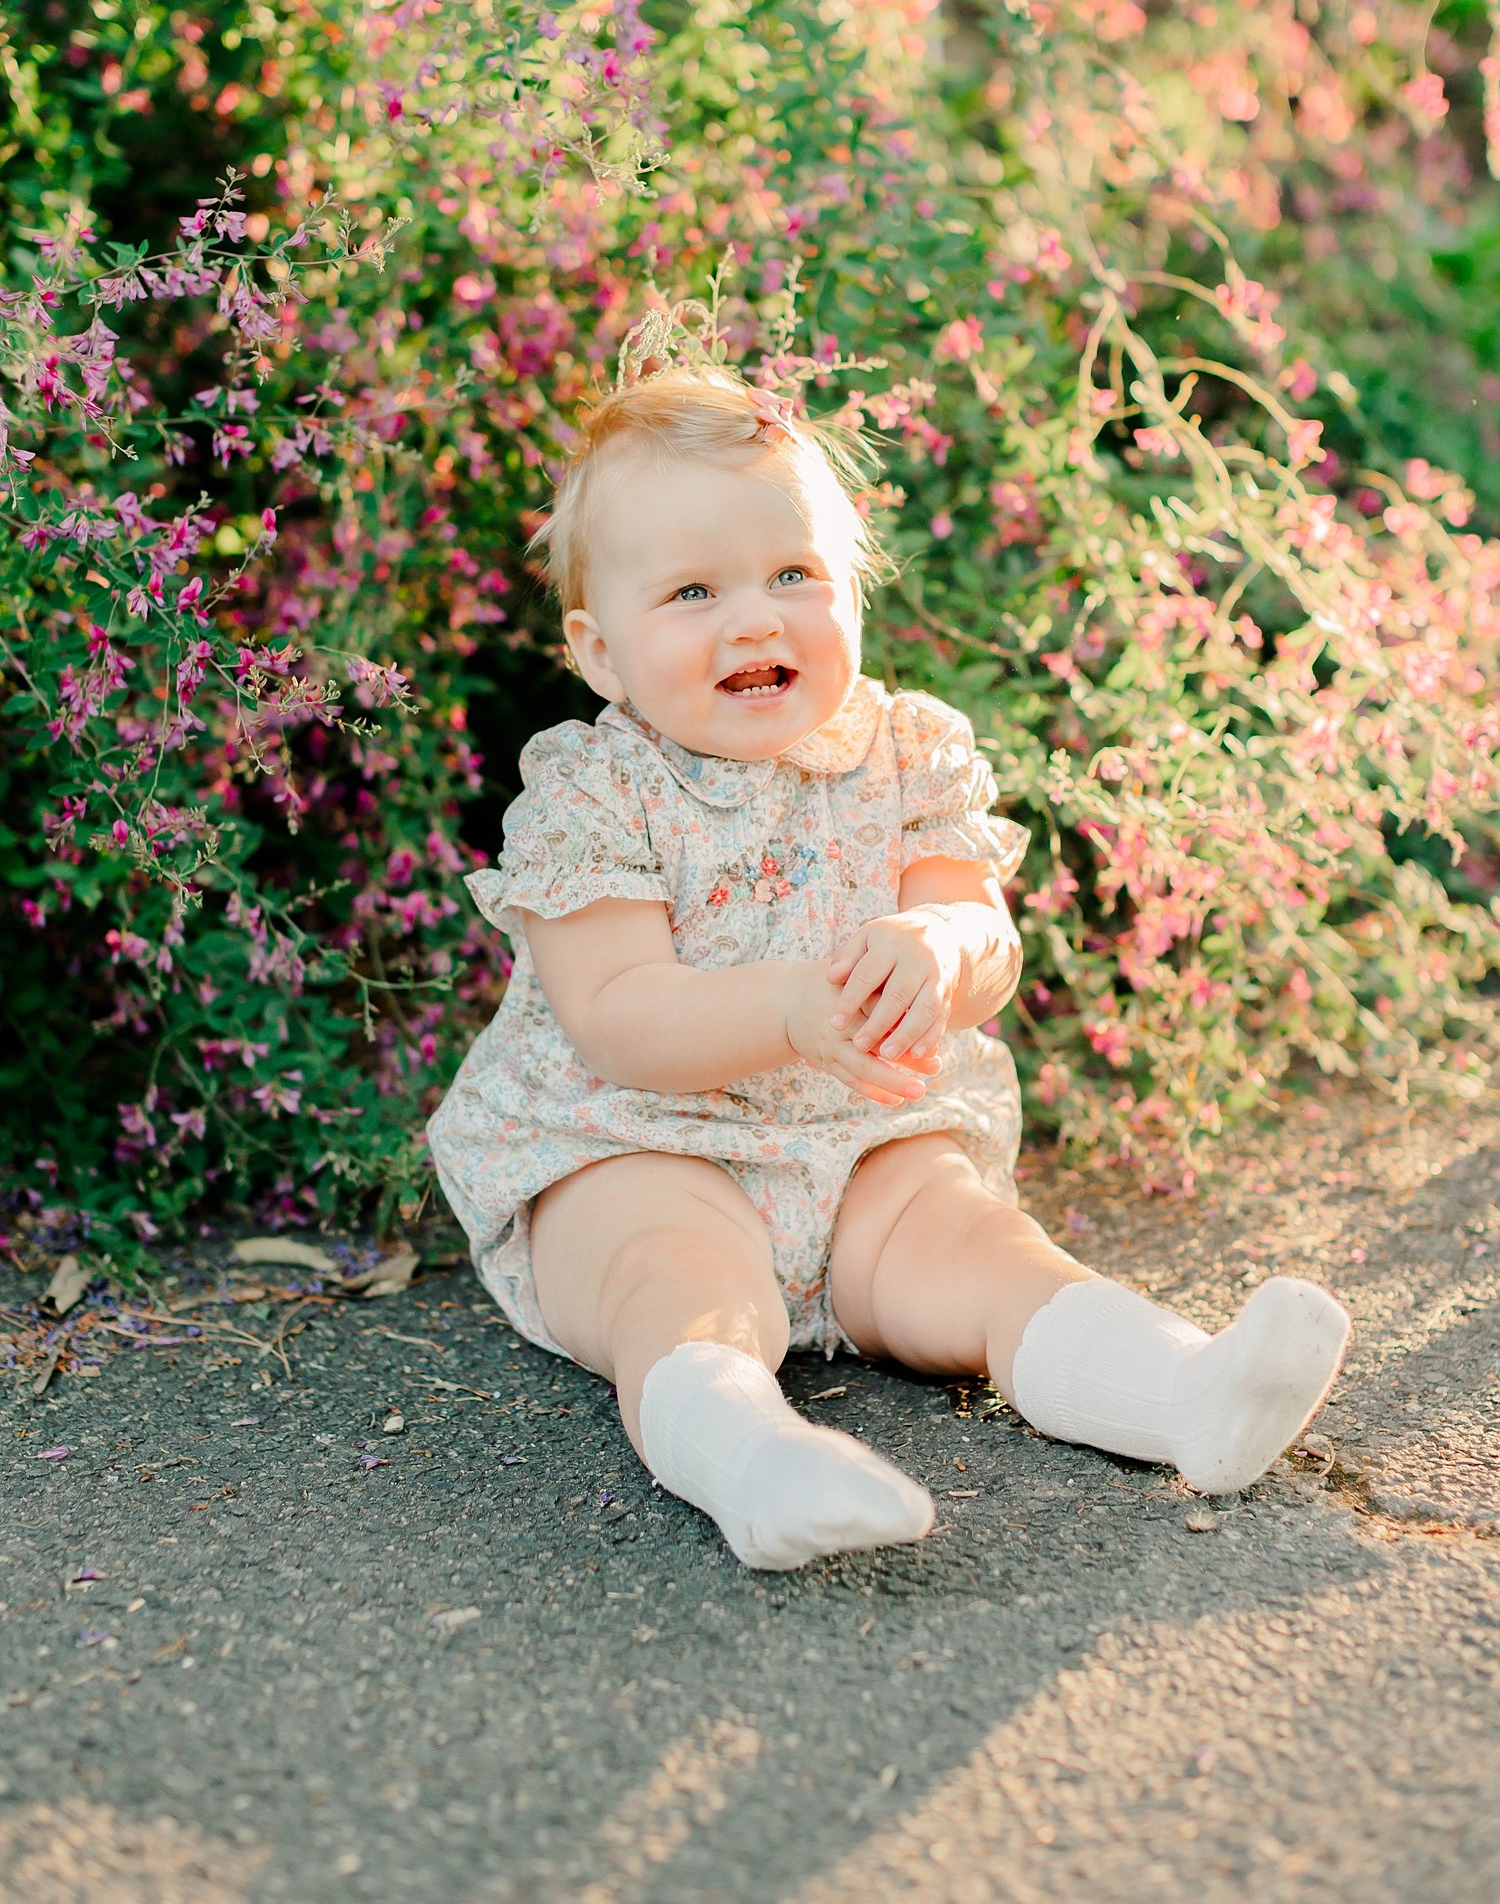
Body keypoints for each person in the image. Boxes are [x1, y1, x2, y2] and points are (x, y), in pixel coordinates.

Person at [427, 363, 1350, 1570]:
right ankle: (754, 1460)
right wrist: (791, 1009)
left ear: (853, 585)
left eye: (794, 574)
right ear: (600, 652)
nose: (755, 618)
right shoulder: (593, 794)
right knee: (679, 1280)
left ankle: (1186, 1393)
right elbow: (615, 1016)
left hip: (866, 1146)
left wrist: (941, 948)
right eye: (694, 590)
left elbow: (980, 935)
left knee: (981, 1254)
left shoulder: (909, 752)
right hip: (639, 1142)